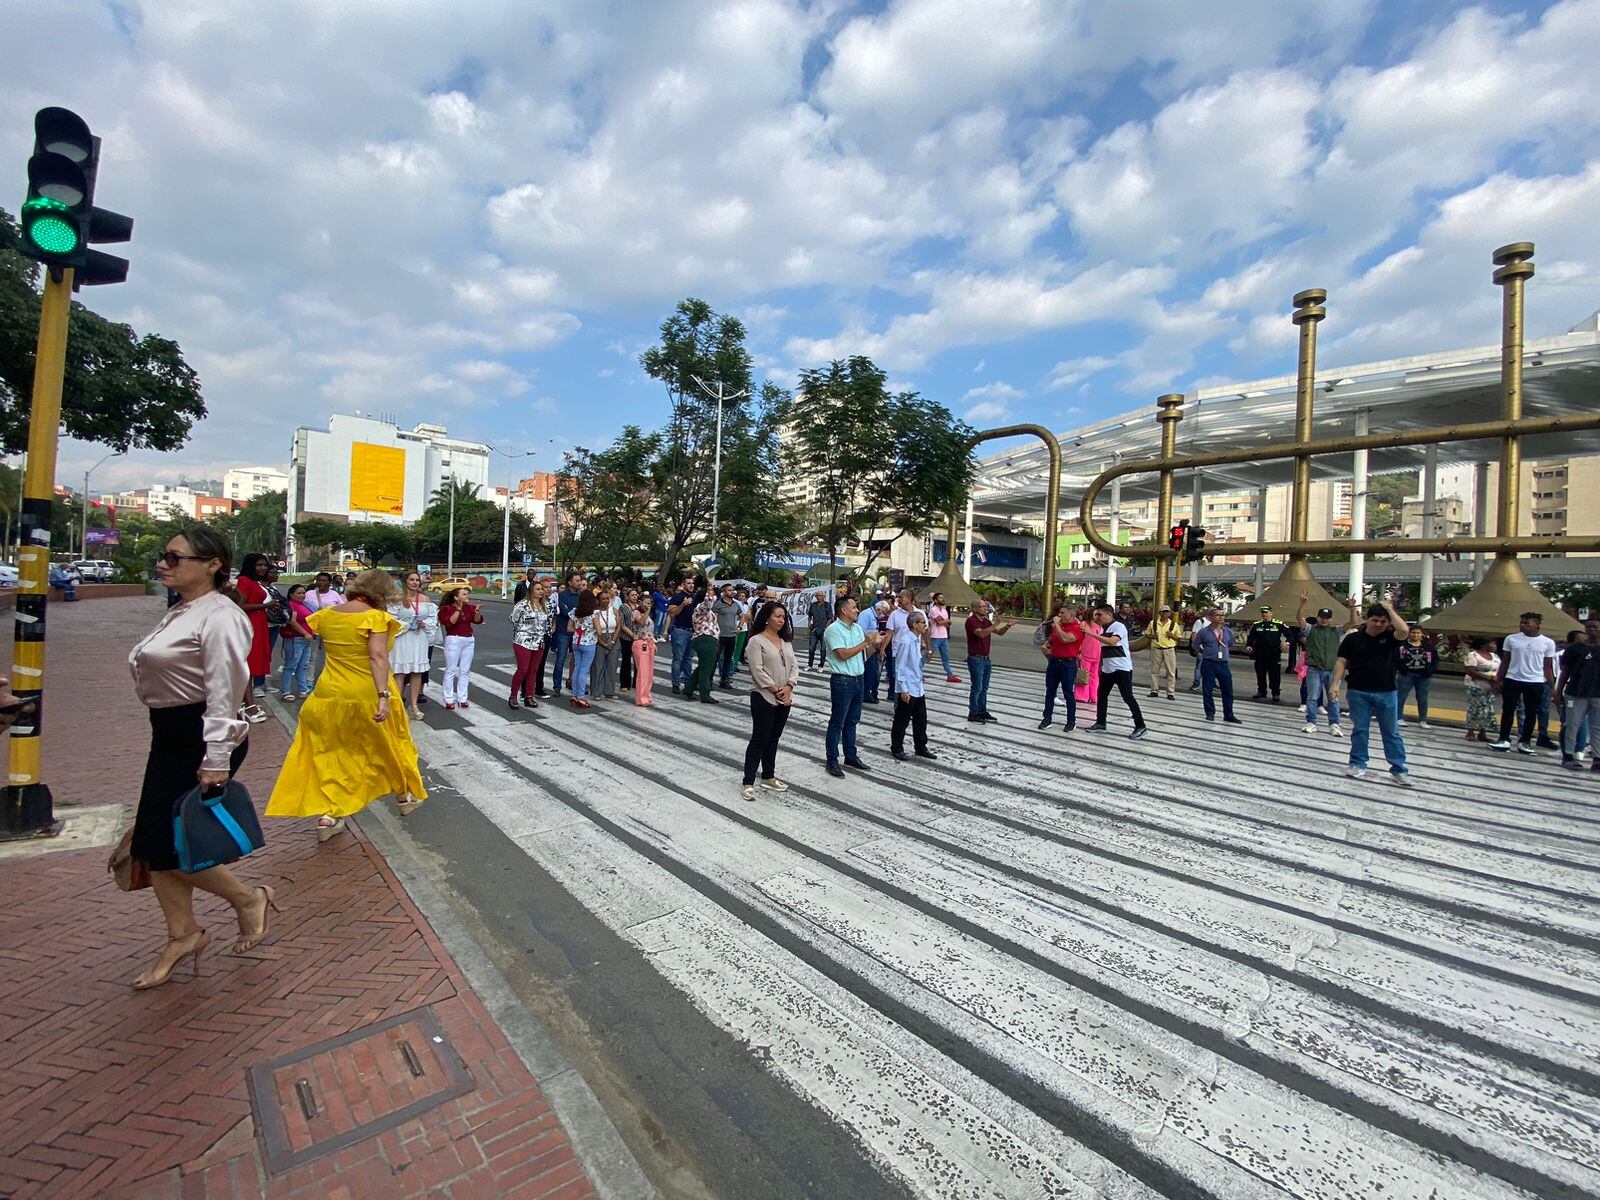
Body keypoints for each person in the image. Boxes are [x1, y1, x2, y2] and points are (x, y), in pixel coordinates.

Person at [127, 528, 275, 989]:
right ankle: (183, 934)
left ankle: (248, 899)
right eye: (164, 556)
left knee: (167, 845)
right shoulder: (183, 609)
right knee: (155, 847)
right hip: (171, 735)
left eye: (175, 557)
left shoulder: (221, 616)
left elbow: (224, 691)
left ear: (212, 564)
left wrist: (216, 757)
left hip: (201, 735)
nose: (163, 564)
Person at [267, 569, 427, 840]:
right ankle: (404, 795)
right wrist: (383, 695)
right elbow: (377, 657)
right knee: (389, 745)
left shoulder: (328, 615)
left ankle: (330, 816)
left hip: (328, 694)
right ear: (382, 593)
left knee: (333, 755)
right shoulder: (374, 617)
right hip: (366, 693)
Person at [1330, 598, 1411, 783]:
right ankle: (1357, 763)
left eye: (1383, 621)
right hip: (1358, 691)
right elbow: (1341, 661)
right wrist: (1335, 684)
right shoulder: (1353, 639)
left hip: (1386, 691)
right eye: (1375, 620)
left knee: (1391, 732)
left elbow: (1404, 631)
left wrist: (1390, 609)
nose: (1379, 624)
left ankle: (1399, 769)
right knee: (1360, 729)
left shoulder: (1390, 638)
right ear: (1367, 619)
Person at [743, 599, 800, 800]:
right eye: (777, 616)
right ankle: (748, 781)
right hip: (764, 696)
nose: (781, 620)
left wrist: (789, 687)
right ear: (767, 618)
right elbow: (757, 670)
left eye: (783, 617)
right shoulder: (756, 641)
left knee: (774, 738)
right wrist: (776, 689)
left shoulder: (786, 642)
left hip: (785, 697)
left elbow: (794, 666)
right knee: (760, 738)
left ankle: (768, 775)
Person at [822, 595, 882, 778]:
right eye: (854, 607)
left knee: (852, 721)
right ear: (844, 610)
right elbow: (842, 655)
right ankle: (832, 760)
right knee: (837, 722)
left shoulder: (856, 628)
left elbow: (864, 655)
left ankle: (850, 755)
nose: (857, 610)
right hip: (842, 681)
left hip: (858, 679)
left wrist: (873, 644)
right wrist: (865, 642)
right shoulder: (833, 630)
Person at [1491, 611, 1559, 754]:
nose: (1522, 625)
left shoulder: (1547, 643)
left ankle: (1525, 741)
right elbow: (1505, 661)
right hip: (1513, 678)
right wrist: (1498, 680)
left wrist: (1553, 687)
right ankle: (1504, 739)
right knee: (1508, 710)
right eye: (1521, 622)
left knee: (1531, 712)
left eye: (1527, 623)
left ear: (1537, 625)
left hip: (1535, 681)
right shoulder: (1511, 639)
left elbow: (1547, 666)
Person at [1084, 604, 1147, 738]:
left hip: (1121, 668)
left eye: (1099, 614)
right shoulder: (1102, 628)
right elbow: (1103, 648)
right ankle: (1101, 722)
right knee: (1102, 695)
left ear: (1109, 614)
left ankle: (1140, 725)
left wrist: (1091, 633)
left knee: (1128, 697)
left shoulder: (1119, 626)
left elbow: (1112, 642)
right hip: (1108, 669)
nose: (1097, 617)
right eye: (1096, 615)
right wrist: (1101, 664)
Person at [1295, 593, 1350, 736]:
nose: (1324, 620)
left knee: (1333, 698)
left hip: (1332, 670)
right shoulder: (1311, 629)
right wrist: (1302, 604)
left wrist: (1352, 608)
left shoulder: (1336, 630)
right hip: (1314, 669)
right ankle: (1311, 722)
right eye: (1322, 617)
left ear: (1331, 619)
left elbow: (1351, 623)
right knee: (1312, 697)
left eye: (1327, 618)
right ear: (1318, 617)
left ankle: (1334, 724)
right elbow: (1299, 618)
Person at [390, 571, 438, 719]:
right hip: (402, 639)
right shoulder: (396, 598)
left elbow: (433, 619)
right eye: (412, 580)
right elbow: (391, 619)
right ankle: (396, 707)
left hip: (419, 638)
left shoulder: (425, 599)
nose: (415, 582)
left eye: (417, 580)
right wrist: (408, 624)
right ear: (405, 582)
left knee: (417, 672)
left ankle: (413, 706)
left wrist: (425, 623)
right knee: (399, 672)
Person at [1554, 619, 1600, 769]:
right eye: (1588, 627)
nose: (1591, 630)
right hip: (1575, 693)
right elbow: (1565, 671)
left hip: (1597, 695)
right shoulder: (1574, 648)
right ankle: (1568, 755)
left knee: (1597, 726)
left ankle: (1597, 758)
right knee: (1572, 724)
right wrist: (1558, 692)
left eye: (1595, 627)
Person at [891, 612, 937, 761]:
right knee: (902, 719)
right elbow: (900, 667)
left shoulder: (916, 640)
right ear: (914, 625)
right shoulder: (906, 641)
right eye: (923, 622)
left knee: (921, 718)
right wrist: (903, 689)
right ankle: (897, 747)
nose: (925, 625)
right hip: (908, 687)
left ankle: (921, 746)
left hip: (917, 686)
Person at [234, 553, 273, 720]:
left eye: (265, 565)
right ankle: (249, 706)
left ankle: (246, 703)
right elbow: (238, 605)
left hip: (258, 622)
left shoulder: (254, 581)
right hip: (250, 624)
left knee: (251, 666)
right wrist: (265, 605)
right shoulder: (244, 581)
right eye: (259, 565)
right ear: (251, 565)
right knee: (248, 666)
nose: (263, 568)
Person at [964, 597, 1015, 722]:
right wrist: (996, 623)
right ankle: (973, 713)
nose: (985, 608)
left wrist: (1007, 626)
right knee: (977, 687)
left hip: (986, 658)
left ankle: (982, 711)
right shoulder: (971, 621)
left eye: (986, 606)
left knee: (984, 687)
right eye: (982, 606)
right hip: (976, 658)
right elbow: (981, 634)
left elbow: (999, 632)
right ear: (974, 609)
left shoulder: (986, 621)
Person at [1193, 608, 1242, 725]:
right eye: (1217, 615)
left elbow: (1230, 644)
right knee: (1208, 689)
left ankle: (1228, 714)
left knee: (1228, 690)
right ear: (1211, 618)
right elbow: (1195, 645)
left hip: (1223, 664)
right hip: (1209, 663)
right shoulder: (1204, 632)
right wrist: (1205, 653)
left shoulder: (1228, 632)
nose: (1221, 617)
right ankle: (1210, 712)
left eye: (1222, 615)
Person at [1038, 601, 1082, 731]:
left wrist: (1057, 625)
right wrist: (1045, 646)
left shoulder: (1078, 628)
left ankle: (1071, 721)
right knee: (1050, 691)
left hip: (1068, 664)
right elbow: (1051, 640)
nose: (1059, 615)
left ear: (1071, 615)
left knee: (1068, 692)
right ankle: (1047, 718)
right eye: (1059, 613)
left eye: (1063, 613)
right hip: (1054, 662)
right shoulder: (1057, 627)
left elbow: (1066, 639)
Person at [508, 579, 551, 709]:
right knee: (523, 669)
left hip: (539, 641)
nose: (541, 591)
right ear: (531, 591)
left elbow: (546, 623)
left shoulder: (545, 606)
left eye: (541, 589)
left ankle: (529, 696)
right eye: (538, 589)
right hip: (523, 640)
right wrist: (523, 631)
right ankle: (513, 696)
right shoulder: (522, 605)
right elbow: (513, 620)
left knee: (533, 670)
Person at [438, 586, 482, 710]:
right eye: (464, 594)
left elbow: (477, 620)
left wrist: (477, 611)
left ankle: (462, 698)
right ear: (456, 597)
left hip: (468, 639)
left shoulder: (469, 607)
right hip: (454, 639)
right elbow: (450, 623)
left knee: (465, 670)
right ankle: (448, 698)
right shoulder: (446, 609)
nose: (467, 596)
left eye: (467, 594)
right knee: (451, 669)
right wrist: (458, 610)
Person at [301, 571, 342, 690]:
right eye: (319, 580)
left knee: (328, 657)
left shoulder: (334, 595)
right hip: (312, 629)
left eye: (324, 580)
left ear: (330, 582)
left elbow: (342, 608)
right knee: (311, 656)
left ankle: (327, 681)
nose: (321, 583)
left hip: (329, 629)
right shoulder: (309, 594)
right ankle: (308, 681)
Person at [549, 570, 586, 698]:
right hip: (563, 631)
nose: (579, 583)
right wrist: (577, 613)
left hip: (577, 631)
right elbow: (564, 612)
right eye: (577, 581)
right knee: (561, 659)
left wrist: (576, 612)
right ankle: (557, 686)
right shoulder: (562, 595)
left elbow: (584, 611)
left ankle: (574, 684)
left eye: (580, 580)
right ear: (570, 582)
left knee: (577, 660)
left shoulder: (581, 595)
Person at [1395, 627, 1439, 728]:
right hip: (1406, 675)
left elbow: (1435, 660)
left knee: (1423, 698)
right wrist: (1401, 669)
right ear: (1409, 634)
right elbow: (1395, 658)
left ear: (1422, 634)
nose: (1415, 635)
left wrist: (1430, 671)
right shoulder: (1402, 646)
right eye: (1413, 633)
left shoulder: (1428, 647)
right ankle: (1398, 718)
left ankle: (1423, 720)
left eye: (1418, 633)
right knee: (1401, 696)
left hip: (1423, 676)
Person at [277, 584, 314, 701]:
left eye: (303, 593)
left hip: (306, 640)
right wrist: (305, 633)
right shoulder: (292, 605)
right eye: (299, 593)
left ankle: (303, 689)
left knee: (303, 666)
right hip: (295, 639)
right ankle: (286, 692)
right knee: (290, 666)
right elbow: (292, 621)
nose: (302, 595)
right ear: (291, 594)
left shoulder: (304, 605)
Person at [1244, 605, 1288, 703]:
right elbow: (1250, 637)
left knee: (1274, 674)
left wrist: (1287, 643)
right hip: (1260, 653)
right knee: (1260, 673)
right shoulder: (1256, 625)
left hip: (1274, 653)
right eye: (1263, 612)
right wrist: (1248, 645)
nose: (1264, 614)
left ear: (1271, 613)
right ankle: (1261, 691)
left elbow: (1290, 635)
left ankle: (1275, 693)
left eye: (1266, 612)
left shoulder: (1278, 624)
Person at [1463, 637, 1500, 743]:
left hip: (1490, 687)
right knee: (1475, 708)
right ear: (1484, 645)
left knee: (1487, 710)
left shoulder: (1495, 656)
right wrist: (1488, 678)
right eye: (1492, 643)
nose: (1495, 646)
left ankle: (1482, 733)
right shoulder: (1473, 655)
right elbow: (1470, 671)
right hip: (1476, 686)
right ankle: (1470, 732)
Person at [688, 585, 722, 704]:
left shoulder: (703, 610)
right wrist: (709, 588)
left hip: (707, 639)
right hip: (705, 639)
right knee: (706, 669)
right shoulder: (701, 607)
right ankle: (705, 694)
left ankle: (689, 688)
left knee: (703, 667)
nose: (714, 598)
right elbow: (708, 603)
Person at [667, 577, 699, 694]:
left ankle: (688, 682)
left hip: (692, 631)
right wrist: (683, 604)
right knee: (678, 659)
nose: (691, 585)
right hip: (680, 630)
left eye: (692, 583)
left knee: (688, 659)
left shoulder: (695, 597)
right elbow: (672, 613)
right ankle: (676, 683)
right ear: (683, 584)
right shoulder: (678, 597)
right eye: (688, 583)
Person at [591, 583, 621, 700]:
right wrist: (603, 643)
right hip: (600, 638)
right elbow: (593, 630)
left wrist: (613, 641)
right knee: (598, 666)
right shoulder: (595, 612)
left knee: (612, 666)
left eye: (607, 598)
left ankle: (610, 691)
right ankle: (597, 692)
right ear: (598, 601)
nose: (606, 601)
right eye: (603, 599)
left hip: (613, 637)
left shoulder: (614, 610)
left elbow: (619, 626)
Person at [628, 594, 656, 705]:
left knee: (649, 673)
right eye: (646, 603)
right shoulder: (636, 613)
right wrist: (647, 611)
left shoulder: (648, 616)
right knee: (643, 672)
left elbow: (649, 631)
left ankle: (647, 695)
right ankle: (641, 698)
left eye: (650, 603)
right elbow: (640, 622)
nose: (648, 605)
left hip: (649, 642)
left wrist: (653, 643)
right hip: (640, 642)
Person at [714, 583, 743, 689]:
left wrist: (740, 627)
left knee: (728, 659)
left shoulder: (735, 604)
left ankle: (724, 680)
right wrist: (714, 631)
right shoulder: (718, 604)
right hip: (720, 635)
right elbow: (714, 618)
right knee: (715, 658)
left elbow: (742, 616)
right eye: (729, 590)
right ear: (724, 592)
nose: (732, 592)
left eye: (732, 590)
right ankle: (708, 679)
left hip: (731, 635)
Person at [1147, 604, 1179, 699]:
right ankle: (1154, 690)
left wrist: (1171, 635)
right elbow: (1147, 634)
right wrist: (1152, 636)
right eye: (1163, 612)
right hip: (1156, 649)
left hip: (1169, 649)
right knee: (1154, 671)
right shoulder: (1153, 623)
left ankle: (1170, 692)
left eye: (1167, 612)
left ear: (1169, 613)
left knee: (1171, 671)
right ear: (1160, 613)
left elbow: (1178, 637)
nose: (1165, 614)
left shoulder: (1173, 624)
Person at [1074, 605, 1103, 709]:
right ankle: (1081, 695)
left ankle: (1094, 696)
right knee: (1083, 675)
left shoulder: (1098, 627)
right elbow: (1079, 638)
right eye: (1096, 614)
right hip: (1085, 653)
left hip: (1096, 654)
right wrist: (1079, 651)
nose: (1097, 616)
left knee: (1095, 676)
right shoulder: (1084, 624)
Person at [860, 598, 887, 703]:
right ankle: (865, 694)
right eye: (883, 612)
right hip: (866, 647)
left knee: (873, 672)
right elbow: (861, 631)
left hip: (872, 646)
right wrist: (872, 638)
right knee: (871, 672)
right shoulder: (866, 614)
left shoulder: (873, 616)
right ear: (879, 609)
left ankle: (867, 693)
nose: (883, 615)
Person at [927, 592, 958, 683]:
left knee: (945, 657)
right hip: (935, 636)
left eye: (942, 597)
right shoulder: (933, 610)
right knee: (928, 655)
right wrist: (946, 621)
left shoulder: (944, 610)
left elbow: (947, 624)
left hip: (944, 636)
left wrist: (945, 621)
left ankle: (950, 675)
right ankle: (917, 672)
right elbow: (939, 622)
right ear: (935, 600)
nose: (942, 599)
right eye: (940, 598)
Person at [807, 589, 833, 671]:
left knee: (823, 649)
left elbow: (830, 618)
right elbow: (809, 615)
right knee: (811, 648)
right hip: (814, 629)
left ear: (823, 597)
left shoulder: (827, 605)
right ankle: (810, 665)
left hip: (823, 630)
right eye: (817, 595)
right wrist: (809, 623)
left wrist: (825, 627)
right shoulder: (813, 605)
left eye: (820, 595)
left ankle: (821, 665)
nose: (818, 597)